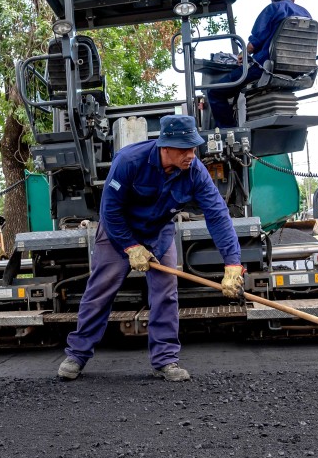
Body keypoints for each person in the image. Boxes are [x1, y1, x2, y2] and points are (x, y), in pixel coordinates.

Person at [57, 115, 244, 382]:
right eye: (184, 149)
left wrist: (232, 263)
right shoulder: (129, 161)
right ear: (165, 146)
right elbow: (109, 210)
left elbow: (217, 214)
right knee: (100, 291)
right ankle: (77, 354)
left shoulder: (195, 171)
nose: (191, 155)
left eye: (193, 148)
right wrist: (131, 247)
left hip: (158, 233)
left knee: (166, 293)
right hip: (117, 232)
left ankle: (165, 360)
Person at [207, 0, 311, 128]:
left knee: (215, 91)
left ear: (272, 0)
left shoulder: (273, 9)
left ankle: (228, 132)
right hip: (299, 69)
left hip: (266, 68)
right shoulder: (306, 14)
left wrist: (243, 54)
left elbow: (254, 43)